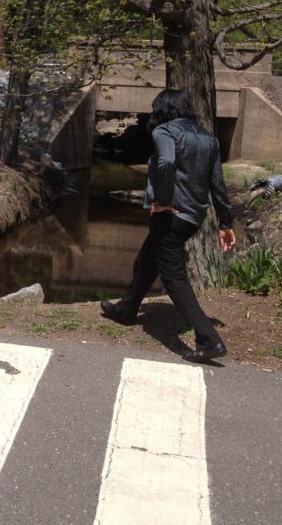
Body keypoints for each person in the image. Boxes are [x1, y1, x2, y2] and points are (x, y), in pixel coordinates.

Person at [100, 88, 237, 363]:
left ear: (163, 109)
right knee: (148, 257)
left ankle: (209, 340)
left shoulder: (165, 131)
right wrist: (225, 222)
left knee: (174, 277)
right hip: (193, 217)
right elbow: (217, 183)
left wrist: (163, 201)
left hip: (171, 215)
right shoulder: (208, 138)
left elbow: (167, 162)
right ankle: (126, 310)